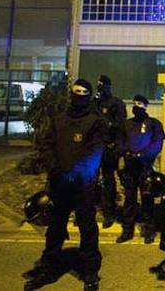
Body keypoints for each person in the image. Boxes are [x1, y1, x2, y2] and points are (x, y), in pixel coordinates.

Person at [24, 79, 108, 291]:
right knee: (55, 228)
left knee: (87, 228)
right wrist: (56, 170)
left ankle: (90, 272)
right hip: (59, 183)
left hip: (83, 186)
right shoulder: (58, 119)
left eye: (83, 92)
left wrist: (76, 174)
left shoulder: (95, 121)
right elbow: (47, 145)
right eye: (76, 91)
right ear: (71, 94)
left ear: (88, 95)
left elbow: (95, 152)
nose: (79, 95)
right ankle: (48, 268)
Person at [116, 94, 165, 244]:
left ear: (146, 106)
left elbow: (157, 144)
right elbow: (120, 141)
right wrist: (127, 153)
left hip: (145, 167)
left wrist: (141, 156)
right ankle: (127, 230)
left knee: (147, 199)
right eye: (134, 103)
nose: (137, 106)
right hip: (129, 168)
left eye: (140, 103)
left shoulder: (153, 124)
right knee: (129, 200)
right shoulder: (126, 124)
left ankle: (148, 230)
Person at [94, 74, 126, 228]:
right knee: (89, 181)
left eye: (102, 84)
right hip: (94, 148)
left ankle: (109, 212)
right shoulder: (94, 103)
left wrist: (117, 147)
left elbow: (121, 125)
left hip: (108, 148)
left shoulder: (116, 103)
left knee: (108, 181)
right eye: (98, 84)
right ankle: (88, 209)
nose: (100, 87)